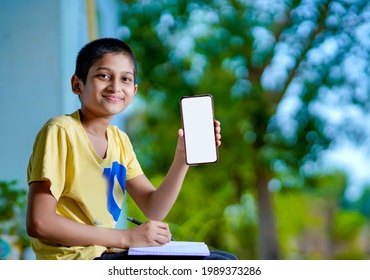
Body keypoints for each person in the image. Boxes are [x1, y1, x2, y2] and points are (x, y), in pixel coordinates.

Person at [26, 38, 237, 260]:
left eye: (125, 79)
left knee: (223, 258)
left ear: (133, 91)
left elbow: (153, 209)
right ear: (78, 84)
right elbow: (40, 222)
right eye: (103, 75)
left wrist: (183, 158)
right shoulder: (60, 131)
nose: (115, 86)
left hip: (107, 254)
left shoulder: (119, 141)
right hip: (76, 261)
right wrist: (127, 237)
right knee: (218, 263)